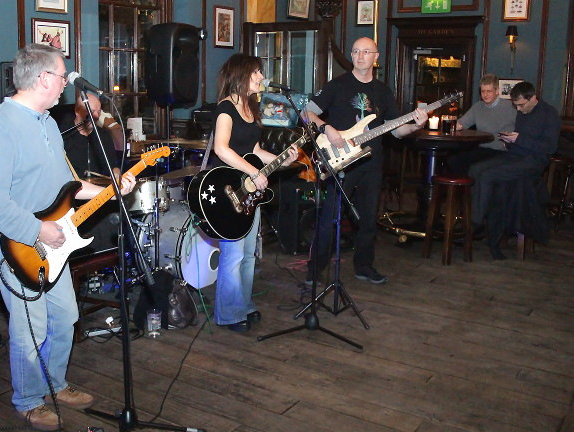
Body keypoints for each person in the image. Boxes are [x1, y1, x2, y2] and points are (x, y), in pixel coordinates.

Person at [0, 44, 135, 430]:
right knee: (32, 328)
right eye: (62, 75)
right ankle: (28, 400)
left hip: (52, 245)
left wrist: (111, 189)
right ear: (44, 78)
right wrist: (35, 228)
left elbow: (67, 185)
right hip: (17, 249)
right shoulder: (1, 126)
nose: (65, 83)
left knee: (66, 317)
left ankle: (55, 383)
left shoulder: (46, 122)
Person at [304, 37, 427, 285]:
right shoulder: (336, 85)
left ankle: (364, 266)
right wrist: (325, 127)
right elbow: (307, 113)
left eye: (366, 52)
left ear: (376, 57)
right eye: (356, 51)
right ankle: (315, 270)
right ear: (351, 55)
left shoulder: (383, 91)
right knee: (329, 219)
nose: (360, 56)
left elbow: (395, 131)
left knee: (368, 219)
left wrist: (416, 125)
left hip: (372, 163)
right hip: (342, 162)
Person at [211, 53, 297, 332]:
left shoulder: (251, 108)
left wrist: (283, 158)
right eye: (257, 72)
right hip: (229, 190)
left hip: (248, 190)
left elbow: (256, 150)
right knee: (233, 255)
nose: (261, 77)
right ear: (242, 75)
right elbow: (221, 148)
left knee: (248, 255)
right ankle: (228, 314)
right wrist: (254, 172)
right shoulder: (226, 108)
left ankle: (243, 305)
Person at [469, 81, 561, 259]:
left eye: (520, 105)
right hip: (515, 156)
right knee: (475, 169)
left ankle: (477, 222)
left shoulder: (550, 114)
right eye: (515, 105)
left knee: (488, 175)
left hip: (533, 161)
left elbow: (548, 148)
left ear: (533, 98)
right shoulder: (523, 112)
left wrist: (519, 139)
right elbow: (520, 142)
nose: (518, 110)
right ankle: (477, 217)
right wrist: (509, 141)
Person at [447, 74, 517, 176]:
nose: (485, 95)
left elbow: (523, 128)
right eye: (483, 91)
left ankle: (470, 189)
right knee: (454, 160)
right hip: (482, 149)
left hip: (501, 151)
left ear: (497, 91)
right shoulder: (478, 107)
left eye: (489, 91)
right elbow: (462, 123)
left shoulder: (510, 107)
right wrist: (456, 126)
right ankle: (462, 190)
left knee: (474, 167)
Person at [59, 91, 124, 180]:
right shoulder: (63, 135)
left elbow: (112, 165)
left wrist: (116, 172)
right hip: (70, 189)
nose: (96, 116)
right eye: (91, 111)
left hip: (98, 189)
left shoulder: (103, 136)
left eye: (99, 112)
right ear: (77, 111)